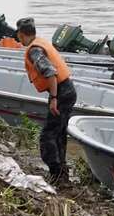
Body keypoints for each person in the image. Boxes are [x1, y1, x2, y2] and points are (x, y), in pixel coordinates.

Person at [16, 17, 77, 186]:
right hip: (67, 89)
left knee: (47, 136)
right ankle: (62, 174)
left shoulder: (34, 50)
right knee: (59, 133)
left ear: (21, 34)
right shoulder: (40, 42)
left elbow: (50, 73)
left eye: (18, 35)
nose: (18, 38)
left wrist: (54, 99)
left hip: (61, 92)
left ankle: (57, 173)